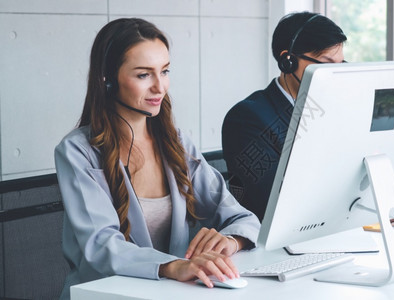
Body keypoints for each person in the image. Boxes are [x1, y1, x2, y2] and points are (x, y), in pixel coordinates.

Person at [54, 18, 260, 299]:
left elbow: (241, 216)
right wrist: (172, 266)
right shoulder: (78, 151)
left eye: (164, 71)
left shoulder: (176, 142)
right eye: (143, 75)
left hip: (171, 292)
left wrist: (230, 240)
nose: (159, 87)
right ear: (108, 79)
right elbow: (101, 245)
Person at [222, 12, 394, 221]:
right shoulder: (247, 119)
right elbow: (277, 204)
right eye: (327, 64)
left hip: (346, 233)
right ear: (287, 61)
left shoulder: (340, 109)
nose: (336, 75)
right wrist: (381, 205)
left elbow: (361, 171)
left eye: (341, 65)